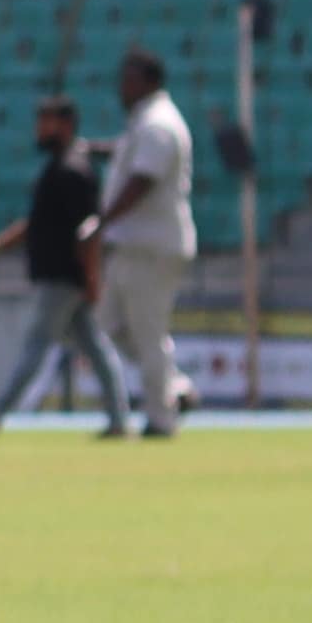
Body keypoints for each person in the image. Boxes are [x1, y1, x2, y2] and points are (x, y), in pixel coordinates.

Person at [0, 93, 106, 439]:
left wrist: (92, 277)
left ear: (66, 125)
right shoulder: (58, 169)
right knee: (96, 348)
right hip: (65, 278)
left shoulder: (72, 171)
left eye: (47, 121)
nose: (39, 129)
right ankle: (119, 418)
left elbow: (89, 231)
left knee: (37, 347)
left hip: (64, 278)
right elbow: (36, 224)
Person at [85, 46, 199, 441]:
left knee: (148, 334)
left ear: (148, 81)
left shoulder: (158, 125)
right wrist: (92, 149)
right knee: (108, 325)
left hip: (150, 246)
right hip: (135, 245)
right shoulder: (145, 122)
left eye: (128, 78)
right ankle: (175, 390)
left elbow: (142, 180)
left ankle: (162, 419)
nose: (121, 86)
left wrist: (102, 222)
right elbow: (125, 155)